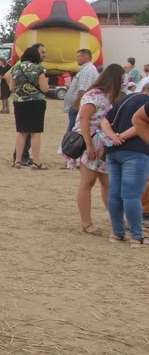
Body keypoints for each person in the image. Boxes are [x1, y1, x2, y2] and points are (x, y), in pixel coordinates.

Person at [62, 64, 124, 235]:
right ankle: (86, 223)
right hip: (91, 142)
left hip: (102, 143)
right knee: (87, 183)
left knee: (107, 183)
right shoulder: (94, 95)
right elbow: (83, 119)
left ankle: (116, 218)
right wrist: (89, 145)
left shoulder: (106, 95)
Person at [101, 85, 149, 247]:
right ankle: (137, 236)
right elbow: (140, 123)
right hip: (136, 151)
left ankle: (117, 233)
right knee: (132, 195)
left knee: (115, 193)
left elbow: (105, 120)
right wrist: (122, 136)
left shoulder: (125, 99)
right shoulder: (146, 103)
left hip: (113, 151)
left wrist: (113, 136)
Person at [7, 42, 48, 165]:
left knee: (21, 132)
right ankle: (36, 162)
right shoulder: (39, 68)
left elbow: (11, 88)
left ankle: (18, 161)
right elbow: (45, 89)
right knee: (35, 133)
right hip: (36, 102)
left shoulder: (15, 68)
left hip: (19, 102)